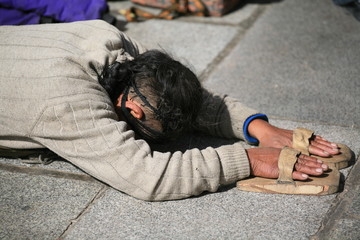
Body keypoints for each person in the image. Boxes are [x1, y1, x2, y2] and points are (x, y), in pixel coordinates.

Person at [0, 20, 339, 201]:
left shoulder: (112, 41)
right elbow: (147, 176)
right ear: (130, 108)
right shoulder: (67, 104)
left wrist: (255, 127)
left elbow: (182, 92)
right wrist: (248, 160)